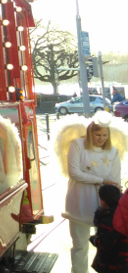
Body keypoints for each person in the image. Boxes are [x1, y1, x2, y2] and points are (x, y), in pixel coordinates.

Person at [55, 114, 125, 273]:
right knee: (79, 245)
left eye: (105, 135)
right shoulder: (77, 144)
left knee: (106, 244)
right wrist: (102, 180)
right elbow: (74, 173)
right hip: (79, 200)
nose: (101, 138)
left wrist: (115, 202)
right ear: (90, 133)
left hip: (104, 204)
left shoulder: (113, 151)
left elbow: (115, 180)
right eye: (98, 134)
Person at [90, 184, 128, 273]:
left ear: (102, 201)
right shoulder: (122, 211)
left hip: (111, 263)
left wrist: (94, 239)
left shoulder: (110, 220)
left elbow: (106, 243)